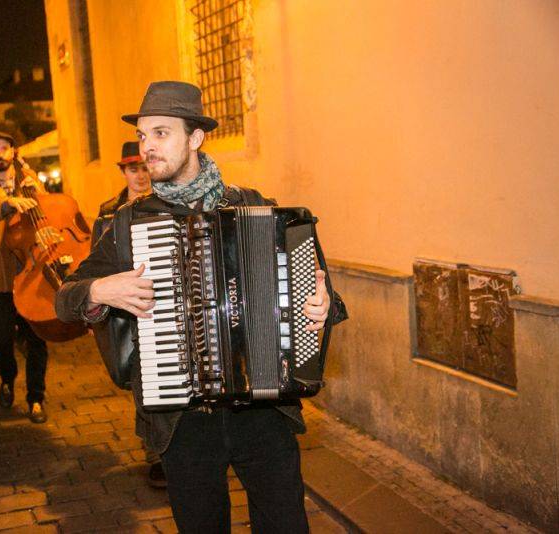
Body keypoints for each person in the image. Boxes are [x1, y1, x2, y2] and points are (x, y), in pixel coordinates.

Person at [55, 81, 348, 532]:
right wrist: (99, 292)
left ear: (195, 138)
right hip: (181, 424)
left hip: (263, 413)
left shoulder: (255, 207)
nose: (147, 147)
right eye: (142, 136)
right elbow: (65, 298)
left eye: (160, 133)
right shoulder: (130, 223)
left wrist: (322, 306)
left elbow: (324, 301)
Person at [89, 142, 166, 488]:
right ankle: (156, 454)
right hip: (128, 313)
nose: (140, 175)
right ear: (123, 172)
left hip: (166, 301)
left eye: (144, 167)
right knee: (144, 379)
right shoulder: (108, 215)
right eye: (132, 169)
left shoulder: (170, 204)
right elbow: (94, 270)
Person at [0, 132, 49, 423]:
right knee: (2, 339)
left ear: (13, 151)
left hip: (31, 271)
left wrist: (38, 191)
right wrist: (6, 204)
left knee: (37, 338)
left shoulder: (29, 175)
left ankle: (36, 397)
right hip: (1, 275)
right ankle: (7, 377)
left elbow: (49, 211)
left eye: (4, 148)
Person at [91, 141, 151, 243]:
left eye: (145, 169)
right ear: (123, 172)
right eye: (134, 170)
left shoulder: (166, 205)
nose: (141, 176)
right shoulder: (108, 210)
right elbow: (99, 254)